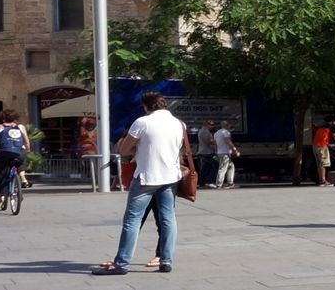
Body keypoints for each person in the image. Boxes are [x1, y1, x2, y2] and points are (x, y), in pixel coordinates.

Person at [95, 91, 189, 276]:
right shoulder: (179, 124)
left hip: (147, 177)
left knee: (132, 219)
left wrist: (139, 147)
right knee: (168, 218)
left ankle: (122, 263)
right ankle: (166, 260)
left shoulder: (143, 122)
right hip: (171, 177)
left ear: (146, 106)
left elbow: (123, 150)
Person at [0, 109, 30, 208]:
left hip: (3, 153)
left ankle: (0, 198)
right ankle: (20, 179)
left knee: (1, 174)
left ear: (2, 118)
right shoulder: (20, 127)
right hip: (19, 153)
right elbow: (26, 142)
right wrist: (27, 150)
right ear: (15, 118)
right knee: (19, 162)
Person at [211, 122, 239, 189]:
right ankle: (219, 184)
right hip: (225, 153)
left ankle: (230, 183)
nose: (230, 126)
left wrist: (217, 151)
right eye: (229, 125)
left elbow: (215, 144)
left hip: (220, 152)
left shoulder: (216, 133)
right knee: (223, 168)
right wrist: (235, 150)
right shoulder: (226, 132)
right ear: (226, 126)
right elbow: (228, 142)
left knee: (231, 166)